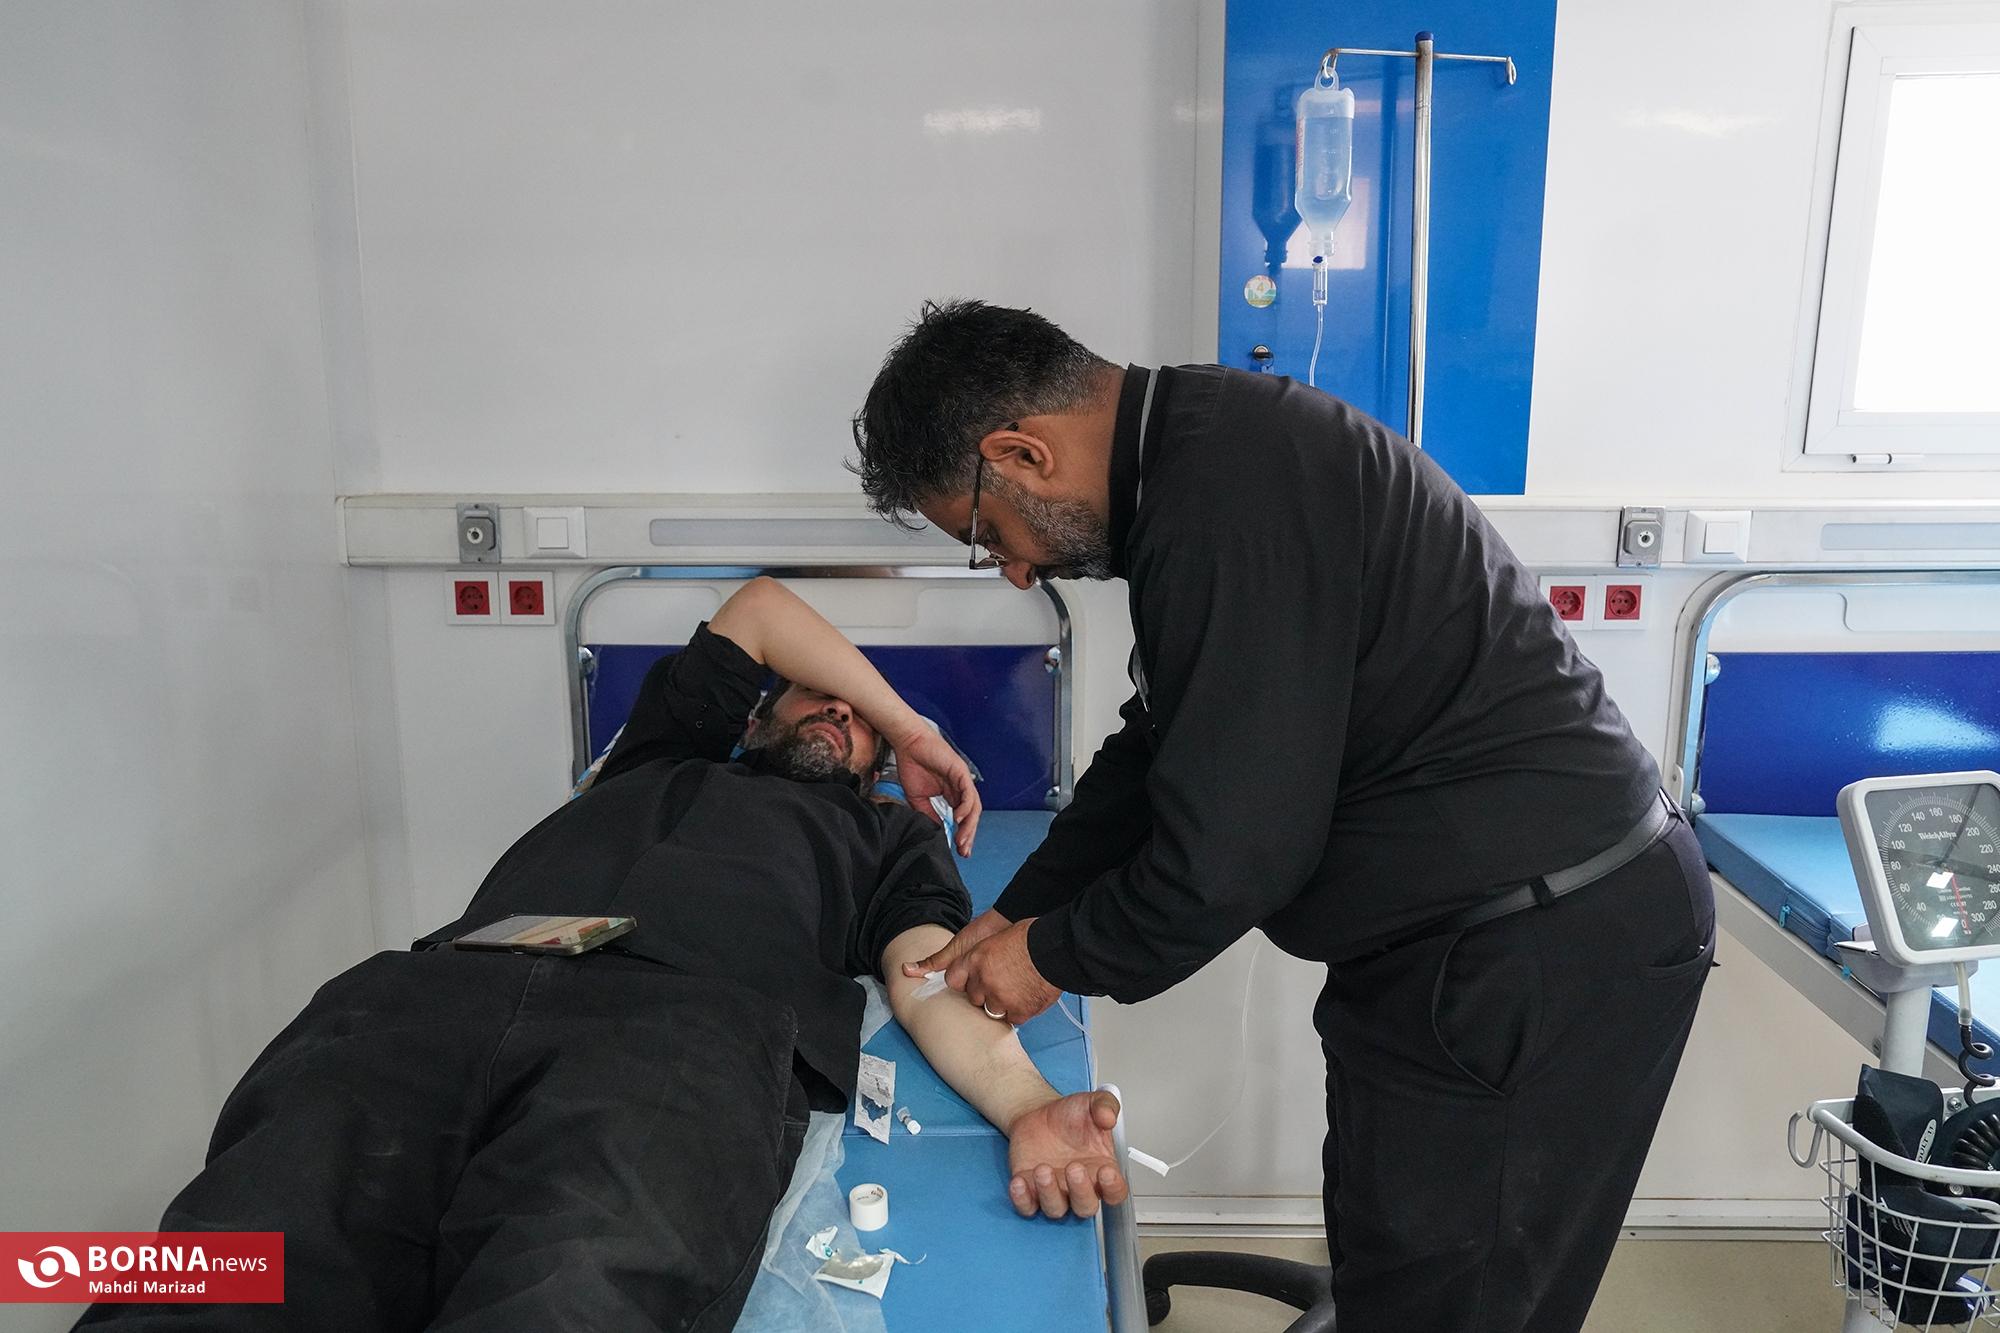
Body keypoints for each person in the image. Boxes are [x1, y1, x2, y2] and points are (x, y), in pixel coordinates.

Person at [848, 300, 1715, 1332]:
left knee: (1456, 1300)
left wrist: (1050, 955)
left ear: (1021, 452)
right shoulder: (1197, 462)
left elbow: (1232, 858)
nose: (1018, 569)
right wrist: (1022, 907)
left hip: (1538, 947)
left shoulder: (1228, 499)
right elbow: (1159, 741)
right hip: (1452, 940)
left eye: (989, 535)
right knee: (1393, 1258)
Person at [79, 576, 1128, 1332]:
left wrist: (1029, 1105)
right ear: (756, 713)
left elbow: (930, 975)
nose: (839, 710)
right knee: (231, 1261)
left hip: (680, 1037)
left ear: (877, 778)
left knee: (568, 1287)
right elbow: (762, 607)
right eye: (819, 695)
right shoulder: (656, 752)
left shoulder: (886, 835)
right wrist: (905, 722)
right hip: (423, 998)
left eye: (858, 726)